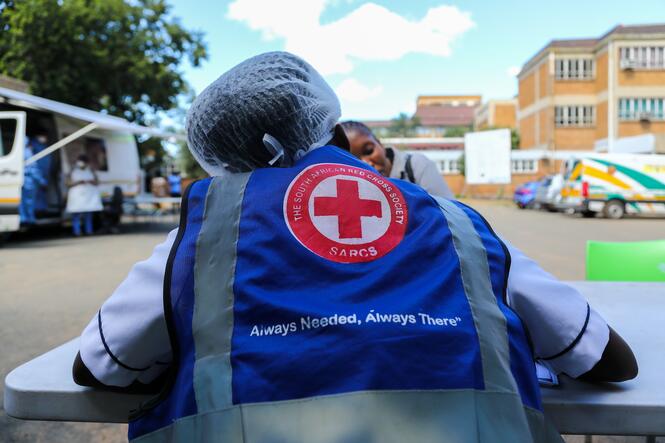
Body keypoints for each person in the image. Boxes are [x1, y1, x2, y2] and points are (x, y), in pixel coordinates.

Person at [73, 52, 636, 442]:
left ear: (226, 166)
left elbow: (100, 367)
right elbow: (610, 360)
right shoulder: (456, 223)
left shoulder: (205, 236)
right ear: (337, 131)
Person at [341, 120, 454, 199]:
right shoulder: (352, 189)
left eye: (369, 150)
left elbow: (451, 216)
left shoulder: (417, 166)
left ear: (380, 143)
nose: (367, 164)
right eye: (354, 161)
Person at [66, 154, 102, 236]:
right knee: (76, 215)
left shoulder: (91, 171)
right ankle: (77, 232)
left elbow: (97, 182)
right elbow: (67, 183)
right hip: (77, 196)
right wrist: (77, 182)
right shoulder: (72, 171)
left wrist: (91, 182)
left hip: (88, 196)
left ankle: (89, 231)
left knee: (88, 215)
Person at [19, 140, 47, 225]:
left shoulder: (19, 151)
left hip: (21, 180)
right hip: (29, 182)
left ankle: (23, 217)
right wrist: (42, 181)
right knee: (29, 201)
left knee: (22, 201)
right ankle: (30, 219)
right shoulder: (28, 152)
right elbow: (33, 169)